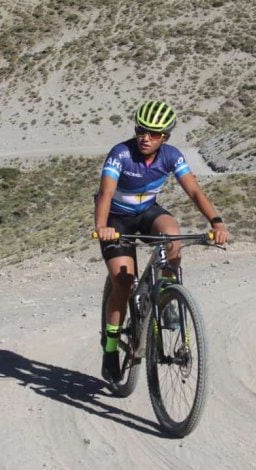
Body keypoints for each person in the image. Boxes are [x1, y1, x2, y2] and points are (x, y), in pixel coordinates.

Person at [93, 100, 229, 382]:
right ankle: (110, 349)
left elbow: (194, 191)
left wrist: (216, 222)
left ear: (165, 137)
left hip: (147, 212)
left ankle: (167, 298)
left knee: (173, 237)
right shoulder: (120, 154)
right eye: (142, 130)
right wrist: (101, 227)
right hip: (117, 218)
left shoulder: (171, 156)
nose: (146, 137)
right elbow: (106, 194)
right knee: (123, 280)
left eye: (154, 134)